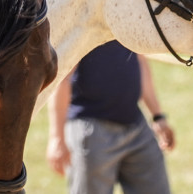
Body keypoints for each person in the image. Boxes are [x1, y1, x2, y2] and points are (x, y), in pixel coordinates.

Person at [47, 40, 175, 194]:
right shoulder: (85, 26)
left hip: (136, 126)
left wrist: (157, 116)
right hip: (91, 132)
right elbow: (62, 79)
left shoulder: (129, 23)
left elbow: (140, 61)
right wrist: (57, 138)